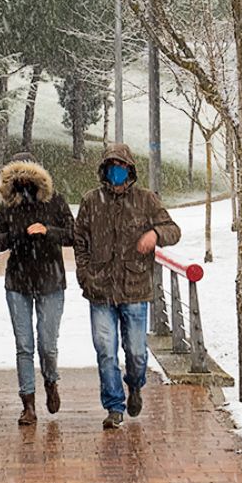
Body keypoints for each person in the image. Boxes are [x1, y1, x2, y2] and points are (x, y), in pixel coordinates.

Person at [74, 143, 181, 429]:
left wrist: (155, 233)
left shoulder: (146, 200)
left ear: (129, 170)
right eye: (112, 168)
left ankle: (134, 385)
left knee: (135, 351)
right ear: (105, 171)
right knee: (105, 350)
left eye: (121, 167)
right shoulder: (91, 201)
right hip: (100, 289)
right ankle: (114, 406)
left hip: (135, 288)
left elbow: (173, 231)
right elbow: (80, 240)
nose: (116, 173)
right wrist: (84, 274)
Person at [0, 151, 75, 426]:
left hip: (50, 281)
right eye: (18, 178)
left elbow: (73, 235)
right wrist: (19, 235)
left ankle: (51, 381)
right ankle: (28, 403)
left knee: (47, 344)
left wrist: (48, 231)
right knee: (24, 345)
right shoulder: (8, 206)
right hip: (18, 283)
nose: (23, 183)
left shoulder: (55, 201)